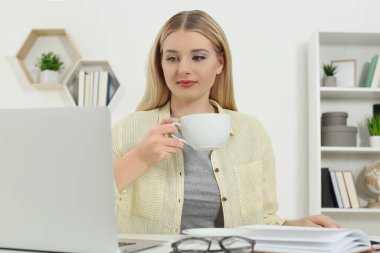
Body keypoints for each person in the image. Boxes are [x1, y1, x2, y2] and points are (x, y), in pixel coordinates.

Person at [112, 9, 339, 234]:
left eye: (198, 57)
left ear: (220, 63)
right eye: (172, 58)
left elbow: (265, 220)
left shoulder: (251, 132)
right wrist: (140, 158)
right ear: (160, 65)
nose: (183, 69)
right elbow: (88, 205)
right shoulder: (127, 130)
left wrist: (296, 226)